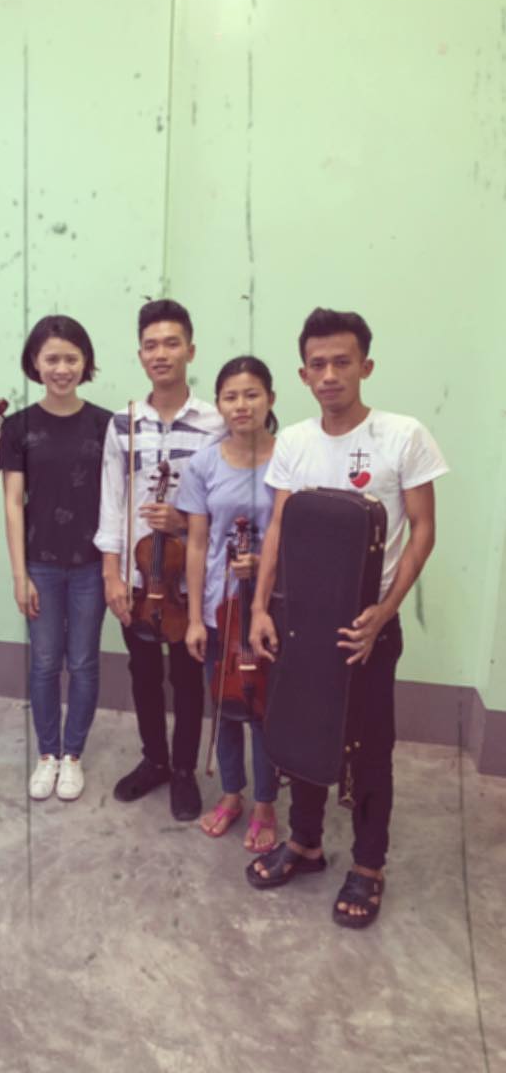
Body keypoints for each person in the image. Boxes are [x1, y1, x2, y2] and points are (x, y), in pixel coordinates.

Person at [247, 307, 448, 928]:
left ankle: (368, 864)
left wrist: (384, 612)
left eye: (342, 362)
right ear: (303, 375)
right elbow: (278, 528)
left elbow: (423, 531)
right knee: (306, 730)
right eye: (318, 364)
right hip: (301, 622)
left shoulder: (402, 436)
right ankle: (306, 844)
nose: (330, 374)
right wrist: (259, 606)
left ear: (366, 366)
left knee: (370, 748)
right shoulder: (295, 442)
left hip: (367, 626)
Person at [94, 298, 224, 820]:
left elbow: (224, 497)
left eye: (172, 343)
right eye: (151, 345)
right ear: (140, 354)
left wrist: (185, 521)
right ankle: (154, 760)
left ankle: (185, 770)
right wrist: (111, 574)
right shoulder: (123, 422)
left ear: (191, 350)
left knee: (188, 679)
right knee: (143, 673)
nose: (161, 353)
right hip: (137, 574)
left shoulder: (216, 422)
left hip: (189, 577)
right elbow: (111, 501)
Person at [0, 315, 111, 801]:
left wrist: (113, 568)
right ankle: (47, 754)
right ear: (35, 363)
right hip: (40, 564)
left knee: (83, 662)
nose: (61, 368)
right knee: (45, 662)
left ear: (85, 362)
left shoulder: (107, 425)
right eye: (52, 359)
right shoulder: (17, 427)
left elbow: (116, 501)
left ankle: (73, 756)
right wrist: (19, 574)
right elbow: (12, 503)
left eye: (71, 358)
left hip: (92, 565)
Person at [179, 356, 279, 851]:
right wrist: (194, 618)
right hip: (220, 608)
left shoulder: (290, 459)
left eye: (252, 394)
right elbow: (198, 544)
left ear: (270, 399)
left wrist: (262, 562)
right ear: (218, 404)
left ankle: (266, 803)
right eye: (231, 396)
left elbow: (297, 537)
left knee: (266, 709)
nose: (241, 405)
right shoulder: (204, 464)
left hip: (272, 608)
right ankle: (232, 792)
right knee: (224, 704)